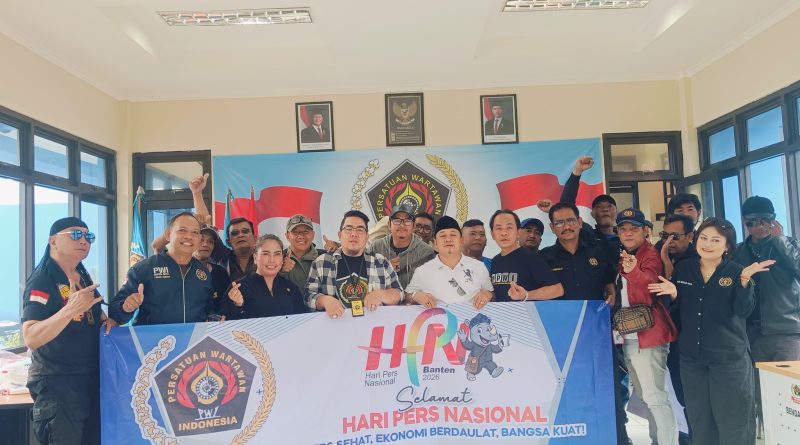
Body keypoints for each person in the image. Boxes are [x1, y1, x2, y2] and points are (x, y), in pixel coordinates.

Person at [650, 218, 773, 445]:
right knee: (700, 422)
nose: (707, 244)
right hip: (692, 361)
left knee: (734, 422)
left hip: (729, 361)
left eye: (716, 240)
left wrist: (745, 281)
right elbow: (677, 314)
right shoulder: (684, 269)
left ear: (727, 246)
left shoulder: (736, 271)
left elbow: (744, 311)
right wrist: (674, 294)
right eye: (704, 238)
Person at [21, 217, 113, 445]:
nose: (83, 241)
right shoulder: (43, 280)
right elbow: (31, 336)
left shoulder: (82, 275)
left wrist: (110, 320)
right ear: (53, 241)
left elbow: (92, 315)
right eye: (75, 235)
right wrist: (69, 310)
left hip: (89, 380)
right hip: (58, 384)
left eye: (88, 236)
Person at [732, 196, 800, 425]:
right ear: (744, 221)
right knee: (760, 393)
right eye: (753, 222)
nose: (760, 227)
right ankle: (768, 434)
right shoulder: (739, 252)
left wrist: (780, 240)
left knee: (791, 395)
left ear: (775, 220)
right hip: (751, 333)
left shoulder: (789, 245)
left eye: (766, 221)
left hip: (786, 331)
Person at [615, 208, 679, 445]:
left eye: (634, 228)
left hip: (648, 335)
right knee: (646, 397)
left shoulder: (650, 255)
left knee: (655, 398)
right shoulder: (626, 255)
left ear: (645, 231)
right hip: (631, 335)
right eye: (623, 228)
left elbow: (651, 289)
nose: (628, 232)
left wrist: (633, 272)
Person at [110, 212, 215, 325]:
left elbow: (208, 311)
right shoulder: (144, 269)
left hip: (194, 336)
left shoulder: (203, 273)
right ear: (168, 234)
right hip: (152, 336)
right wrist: (126, 308)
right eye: (182, 230)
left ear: (199, 239)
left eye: (195, 232)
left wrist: (217, 318)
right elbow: (114, 312)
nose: (189, 236)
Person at [305, 210, 403, 318]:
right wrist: (324, 300)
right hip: (335, 325)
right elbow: (308, 296)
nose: (354, 234)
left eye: (360, 230)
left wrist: (381, 295)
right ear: (339, 235)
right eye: (349, 229)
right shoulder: (321, 263)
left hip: (372, 326)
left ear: (367, 236)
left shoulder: (381, 262)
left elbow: (399, 294)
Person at [656, 213, 698, 445]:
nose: (669, 241)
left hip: (694, 338)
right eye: (665, 235)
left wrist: (666, 261)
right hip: (671, 337)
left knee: (694, 396)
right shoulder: (659, 253)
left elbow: (681, 296)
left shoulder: (697, 260)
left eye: (675, 236)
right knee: (679, 394)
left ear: (690, 236)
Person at [406, 216, 494, 310]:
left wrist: (488, 294)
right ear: (435, 243)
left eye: (453, 235)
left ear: (461, 240)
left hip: (470, 318)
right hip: (436, 318)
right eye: (443, 236)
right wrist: (415, 295)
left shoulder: (479, 267)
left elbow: (492, 295)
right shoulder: (422, 271)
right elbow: (408, 295)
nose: (448, 239)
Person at [540, 203, 615, 303]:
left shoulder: (598, 252)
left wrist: (611, 295)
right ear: (552, 227)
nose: (566, 227)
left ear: (580, 223)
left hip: (595, 312)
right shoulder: (543, 258)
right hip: (558, 313)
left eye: (571, 221)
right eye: (559, 223)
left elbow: (608, 280)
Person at [222, 235, 307, 320]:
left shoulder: (291, 288)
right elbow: (224, 324)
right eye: (265, 254)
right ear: (255, 258)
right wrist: (237, 306)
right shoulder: (238, 288)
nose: (272, 260)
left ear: (282, 258)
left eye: (277, 254)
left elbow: (302, 321)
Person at [489, 209, 563, 302]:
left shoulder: (532, 258)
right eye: (499, 228)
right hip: (500, 312)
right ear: (492, 234)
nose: (504, 233)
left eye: (509, 227)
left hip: (527, 311)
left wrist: (526, 295)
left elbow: (558, 290)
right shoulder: (494, 262)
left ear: (518, 232)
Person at [371, 204, 435, 290]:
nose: (402, 225)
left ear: (413, 226)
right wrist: (385, 270)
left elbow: (431, 286)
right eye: (397, 221)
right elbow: (365, 280)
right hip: (382, 298)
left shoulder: (426, 252)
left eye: (407, 221)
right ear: (389, 225)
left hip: (414, 298)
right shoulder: (375, 247)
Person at [281, 214, 326, 292]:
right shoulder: (278, 258)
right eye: (295, 232)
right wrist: (280, 271)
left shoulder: (326, 257)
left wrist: (339, 248)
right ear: (287, 236)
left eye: (306, 231)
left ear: (313, 234)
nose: (301, 236)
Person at [196, 225, 231, 313]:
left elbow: (227, 303)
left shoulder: (220, 272)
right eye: (201, 240)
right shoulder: (182, 271)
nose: (205, 244)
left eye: (210, 242)